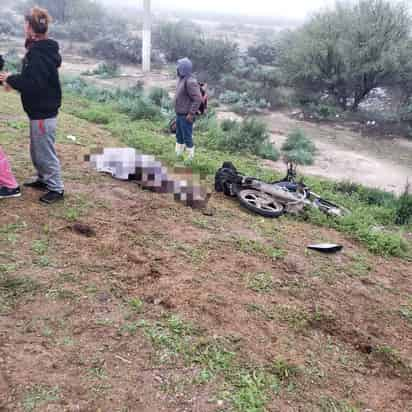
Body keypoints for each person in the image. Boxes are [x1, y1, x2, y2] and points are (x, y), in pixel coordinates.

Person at [0, 7, 64, 204]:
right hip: (39, 110)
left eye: (24, 23)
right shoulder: (42, 49)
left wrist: (11, 79)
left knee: (44, 150)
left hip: (43, 111)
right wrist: (13, 80)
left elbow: (33, 82)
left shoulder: (39, 52)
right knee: (37, 149)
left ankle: (56, 188)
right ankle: (43, 179)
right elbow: (34, 79)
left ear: (29, 26)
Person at [174, 57, 202, 161]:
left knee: (187, 137)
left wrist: (191, 113)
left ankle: (190, 158)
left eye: (178, 67)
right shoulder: (182, 79)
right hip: (180, 114)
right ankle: (178, 155)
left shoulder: (190, 81)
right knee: (179, 135)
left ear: (183, 69)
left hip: (186, 115)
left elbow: (198, 99)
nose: (176, 68)